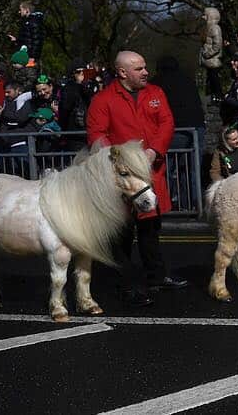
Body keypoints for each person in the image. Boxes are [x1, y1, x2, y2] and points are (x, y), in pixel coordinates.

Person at [87, 50, 187, 307]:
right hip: (122, 180)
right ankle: (127, 285)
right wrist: (120, 161)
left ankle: (157, 275)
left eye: (145, 67)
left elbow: (167, 123)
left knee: (151, 229)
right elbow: (97, 135)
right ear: (122, 72)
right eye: (139, 68)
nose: (146, 72)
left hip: (152, 173)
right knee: (121, 235)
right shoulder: (103, 99)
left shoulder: (156, 93)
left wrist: (155, 149)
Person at [150, 55, 206, 197]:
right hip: (196, 127)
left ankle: (168, 201)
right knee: (192, 170)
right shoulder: (188, 81)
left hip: (174, 129)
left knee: (165, 168)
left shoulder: (156, 84)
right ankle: (192, 202)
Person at [200, 7, 225, 103]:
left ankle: (218, 97)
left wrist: (207, 54)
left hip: (213, 59)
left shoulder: (215, 28)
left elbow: (217, 45)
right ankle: (213, 97)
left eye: (205, 15)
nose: (203, 17)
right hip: (209, 60)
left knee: (215, 79)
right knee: (211, 79)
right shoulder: (208, 28)